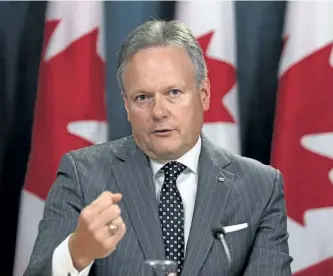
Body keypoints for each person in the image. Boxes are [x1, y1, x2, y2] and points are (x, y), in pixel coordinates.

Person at [24, 19, 292, 276]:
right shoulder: (82, 176)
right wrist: (77, 251)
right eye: (143, 97)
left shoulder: (260, 187)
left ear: (204, 95)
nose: (159, 111)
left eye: (174, 92)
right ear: (127, 106)